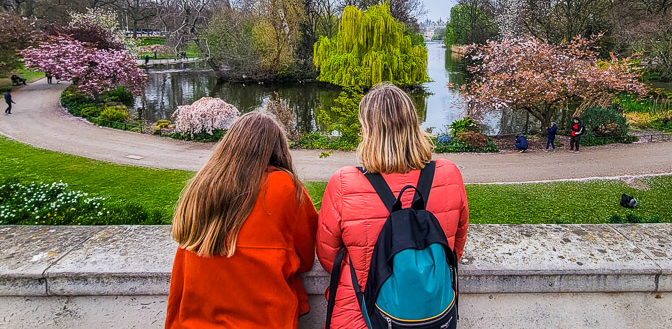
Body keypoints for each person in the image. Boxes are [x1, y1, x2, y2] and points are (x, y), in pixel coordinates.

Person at [317, 83, 469, 329]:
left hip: (359, 313)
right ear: (413, 124)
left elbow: (327, 256)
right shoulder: (449, 174)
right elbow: (455, 248)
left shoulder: (344, 182)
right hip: (431, 314)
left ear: (367, 129)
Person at [165, 112, 318, 329]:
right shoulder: (284, 187)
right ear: (277, 149)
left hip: (195, 319)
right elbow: (306, 258)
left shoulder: (202, 187)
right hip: (263, 318)